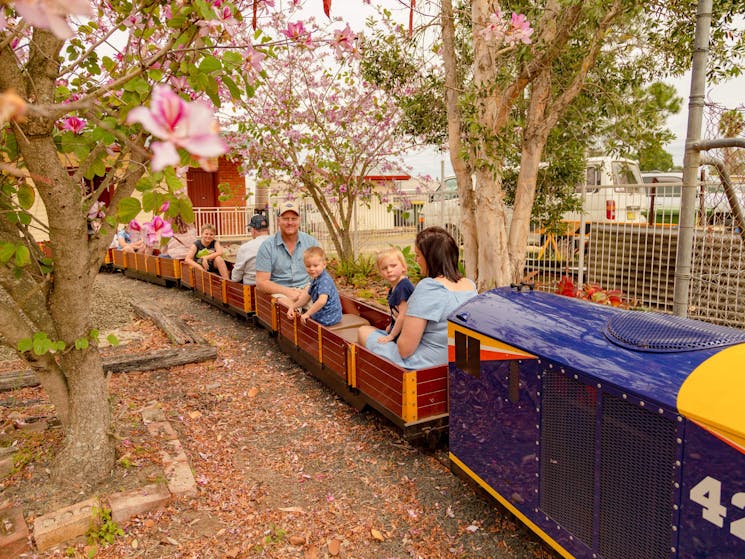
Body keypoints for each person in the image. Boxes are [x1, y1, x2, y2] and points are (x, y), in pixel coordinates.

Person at [358, 227, 477, 370]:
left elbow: (405, 350)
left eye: (418, 255)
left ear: (430, 257)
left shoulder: (429, 287)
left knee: (363, 331)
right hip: (459, 362)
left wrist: (404, 321)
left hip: (426, 365)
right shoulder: (470, 286)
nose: (416, 260)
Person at [255, 201, 319, 303]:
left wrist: (307, 290)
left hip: (307, 290)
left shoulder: (311, 242)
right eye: (285, 219)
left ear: (299, 220)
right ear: (278, 221)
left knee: (324, 309)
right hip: (280, 293)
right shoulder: (267, 246)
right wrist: (288, 292)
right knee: (287, 310)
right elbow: (261, 282)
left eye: (294, 219)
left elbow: (320, 274)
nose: (290, 223)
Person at [286, 246, 342, 326]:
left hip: (329, 316)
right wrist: (293, 307)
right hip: (324, 313)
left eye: (315, 266)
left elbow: (322, 301)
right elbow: (307, 296)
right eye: (308, 266)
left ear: (324, 265)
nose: (312, 269)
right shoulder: (316, 278)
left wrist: (307, 314)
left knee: (306, 319)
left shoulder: (324, 280)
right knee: (304, 315)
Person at [375, 247, 415, 344]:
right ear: (380, 272)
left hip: (406, 334)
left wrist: (391, 335)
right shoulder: (395, 287)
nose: (389, 270)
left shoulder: (403, 286)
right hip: (399, 329)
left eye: (393, 266)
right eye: (384, 268)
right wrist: (390, 326)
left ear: (403, 267)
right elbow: (395, 314)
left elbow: (402, 315)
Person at [231, 214, 270, 285]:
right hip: (275, 286)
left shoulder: (245, 247)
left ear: (253, 230)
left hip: (251, 287)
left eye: (250, 229)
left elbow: (236, 277)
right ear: (268, 229)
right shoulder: (278, 244)